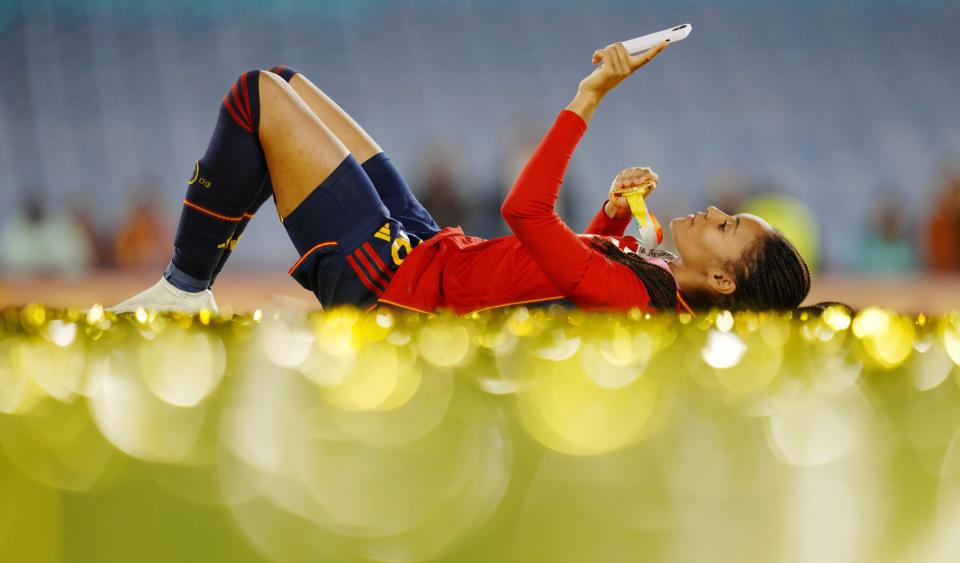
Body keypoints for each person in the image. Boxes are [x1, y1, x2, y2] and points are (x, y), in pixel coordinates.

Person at [109, 42, 810, 316]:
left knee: (256, 95)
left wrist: (589, 97)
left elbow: (527, 214)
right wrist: (611, 217)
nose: (716, 210)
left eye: (726, 227)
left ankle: (182, 291)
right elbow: (562, 275)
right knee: (287, 83)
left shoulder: (639, 297)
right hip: (429, 253)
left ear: (723, 281)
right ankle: (187, 286)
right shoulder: (648, 289)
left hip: (397, 284)